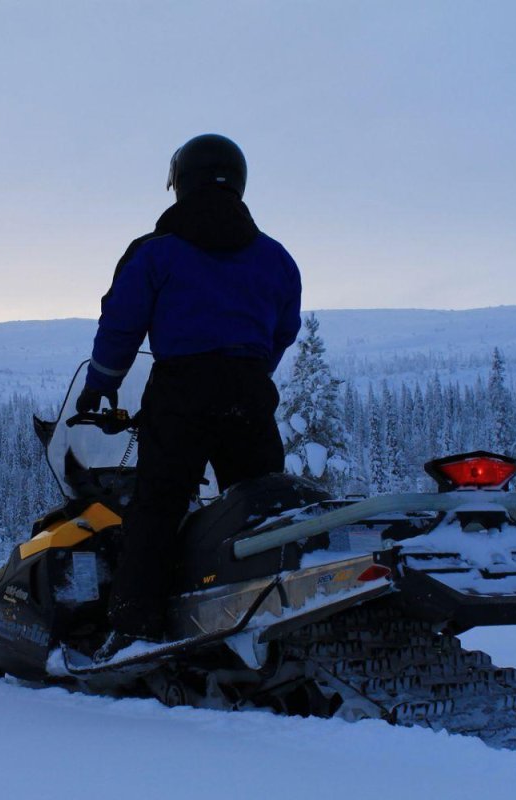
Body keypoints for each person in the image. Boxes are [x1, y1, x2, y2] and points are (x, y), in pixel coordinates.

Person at [76, 133, 302, 659]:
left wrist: (100, 386)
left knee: (157, 507)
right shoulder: (275, 257)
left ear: (180, 182)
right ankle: (279, 614)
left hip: (181, 391)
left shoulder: (157, 251)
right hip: (248, 392)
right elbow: (284, 328)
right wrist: (249, 369)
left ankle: (134, 629)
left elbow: (121, 324)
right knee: (262, 507)